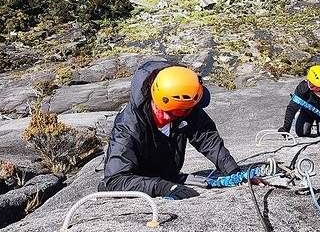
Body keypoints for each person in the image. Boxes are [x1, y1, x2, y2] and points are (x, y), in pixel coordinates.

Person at [100, 60, 243, 199]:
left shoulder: (184, 101)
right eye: (170, 113)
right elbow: (114, 180)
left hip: (168, 175)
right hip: (137, 181)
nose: (172, 118)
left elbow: (206, 138)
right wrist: (162, 187)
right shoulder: (128, 127)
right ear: (155, 100)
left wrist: (234, 172)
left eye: (183, 112)